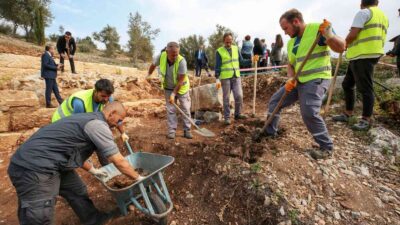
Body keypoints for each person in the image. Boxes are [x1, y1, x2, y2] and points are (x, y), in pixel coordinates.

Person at [8, 102, 143, 225]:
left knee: (77, 190)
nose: (119, 124)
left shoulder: (88, 119)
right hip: (34, 167)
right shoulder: (97, 125)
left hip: (55, 163)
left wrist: (93, 170)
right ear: (111, 113)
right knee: (39, 213)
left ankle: (94, 220)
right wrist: (138, 178)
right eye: (119, 120)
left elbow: (72, 150)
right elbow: (118, 160)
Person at [256, 9, 346, 160]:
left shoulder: (318, 30)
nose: (284, 33)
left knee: (309, 112)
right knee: (275, 101)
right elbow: (290, 64)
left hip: (316, 79)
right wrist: (291, 78)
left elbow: (341, 47)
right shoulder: (291, 43)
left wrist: (329, 35)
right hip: (298, 81)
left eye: (286, 28)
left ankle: (326, 147)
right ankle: (270, 132)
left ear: (296, 21)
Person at [333, 0, 389, 130]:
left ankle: (366, 120)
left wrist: (343, 44)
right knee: (347, 84)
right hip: (366, 54)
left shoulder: (364, 12)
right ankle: (348, 113)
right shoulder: (383, 16)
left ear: (361, 3)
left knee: (365, 88)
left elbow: (353, 34)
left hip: (363, 54)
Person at [51, 78, 128, 165]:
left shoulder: (108, 98)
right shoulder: (80, 102)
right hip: (62, 122)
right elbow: (78, 127)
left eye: (108, 96)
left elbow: (117, 115)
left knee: (98, 139)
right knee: (81, 144)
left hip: (81, 119)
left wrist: (123, 133)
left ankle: (106, 166)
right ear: (96, 91)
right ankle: (78, 162)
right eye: (103, 96)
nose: (106, 99)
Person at [147, 42, 192, 139]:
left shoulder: (182, 61)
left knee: (185, 108)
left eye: (177, 54)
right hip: (168, 87)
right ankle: (171, 130)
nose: (175, 56)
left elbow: (180, 81)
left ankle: (187, 130)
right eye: (173, 55)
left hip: (182, 88)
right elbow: (153, 65)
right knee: (171, 110)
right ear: (167, 52)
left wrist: (174, 94)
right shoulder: (161, 56)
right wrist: (149, 74)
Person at [215, 33, 247, 125]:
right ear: (224, 41)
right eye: (227, 41)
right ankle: (227, 117)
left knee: (239, 95)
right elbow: (217, 66)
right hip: (225, 78)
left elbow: (241, 61)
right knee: (226, 98)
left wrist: (252, 60)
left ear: (232, 40)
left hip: (236, 76)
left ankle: (237, 114)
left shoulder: (236, 48)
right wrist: (217, 78)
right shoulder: (219, 51)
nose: (229, 43)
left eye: (230, 41)